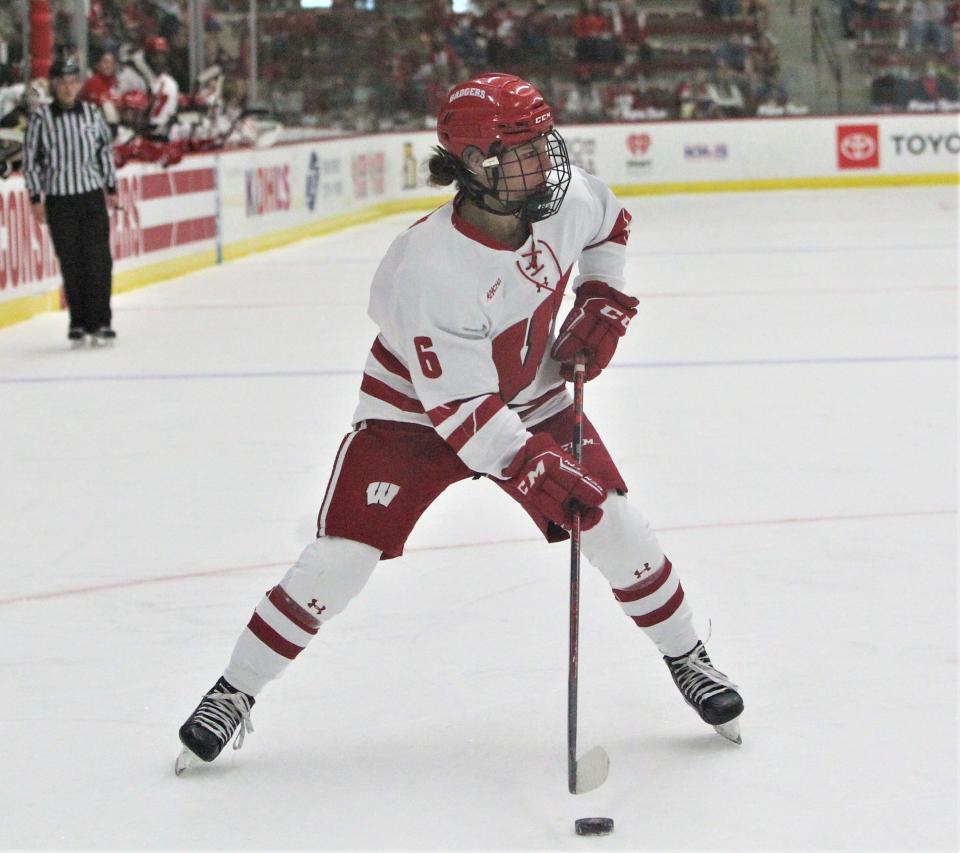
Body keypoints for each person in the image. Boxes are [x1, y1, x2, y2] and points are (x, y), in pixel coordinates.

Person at [175, 73, 744, 774]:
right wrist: (535, 465)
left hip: (528, 396)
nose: (548, 161)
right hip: (414, 416)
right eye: (524, 148)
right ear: (475, 165)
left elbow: (611, 222)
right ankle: (234, 689)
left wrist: (603, 295)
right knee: (341, 558)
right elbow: (466, 416)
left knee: (618, 525)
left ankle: (688, 655)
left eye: (544, 141)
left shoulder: (563, 199)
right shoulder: (429, 268)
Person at [23, 58, 118, 347]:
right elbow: (31, 161)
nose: (67, 88)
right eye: (62, 83)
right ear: (54, 85)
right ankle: (78, 321)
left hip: (90, 196)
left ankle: (101, 320)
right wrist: (35, 197)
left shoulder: (92, 113)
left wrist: (111, 187)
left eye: (72, 82)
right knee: (72, 261)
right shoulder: (41, 119)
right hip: (59, 199)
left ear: (78, 85)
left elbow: (104, 152)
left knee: (99, 260)